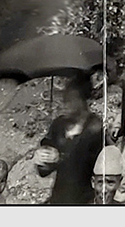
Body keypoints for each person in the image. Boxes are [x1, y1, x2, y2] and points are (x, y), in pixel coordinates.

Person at [36, 74, 107, 205]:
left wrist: (60, 158)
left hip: (84, 199)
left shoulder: (95, 129)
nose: (65, 104)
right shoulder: (58, 125)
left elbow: (86, 165)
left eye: (70, 100)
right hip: (59, 198)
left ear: (82, 101)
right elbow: (44, 169)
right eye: (64, 99)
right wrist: (43, 159)